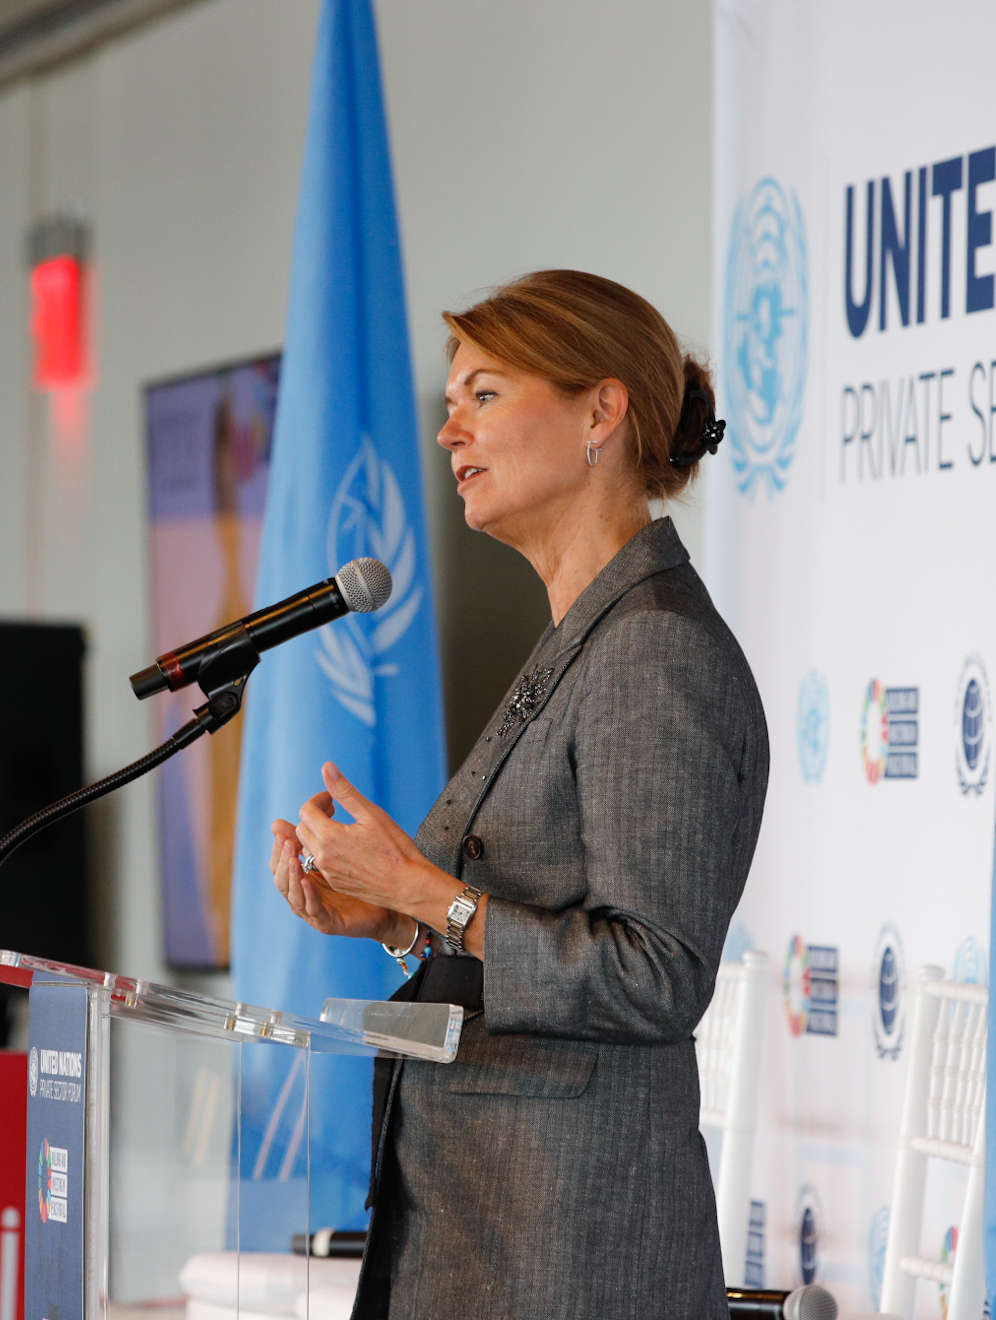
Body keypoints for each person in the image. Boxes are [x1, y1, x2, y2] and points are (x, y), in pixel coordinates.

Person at [267, 270, 769, 1318]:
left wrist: (429, 892)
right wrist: (397, 919)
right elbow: (531, 944)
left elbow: (654, 975)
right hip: (486, 1229)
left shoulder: (654, 650)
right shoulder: (584, 637)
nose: (448, 429)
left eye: (484, 395)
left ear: (600, 412)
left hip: (570, 1254)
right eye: (452, 400)